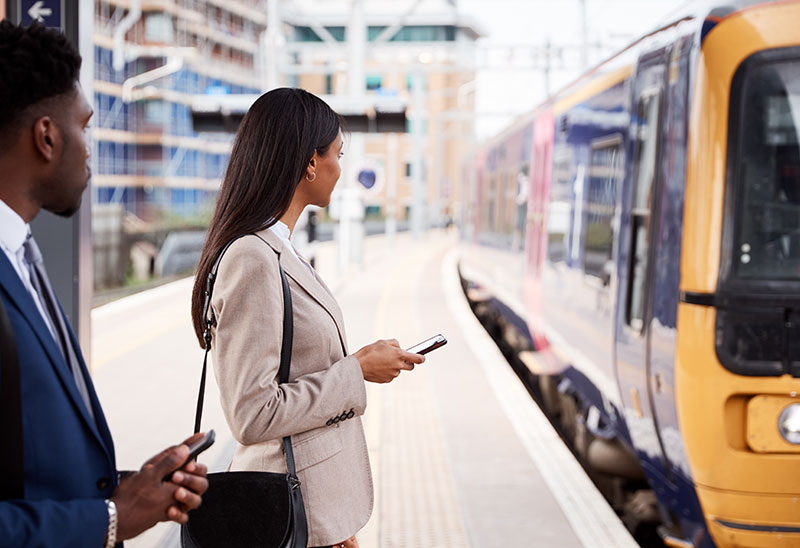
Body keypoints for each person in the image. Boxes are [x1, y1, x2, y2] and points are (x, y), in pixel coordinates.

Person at [0, 21, 208, 546]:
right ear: (46, 136)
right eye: (85, 127)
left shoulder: (22, 255)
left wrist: (134, 489)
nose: (89, 150)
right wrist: (112, 519)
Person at [190, 87, 425, 548]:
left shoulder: (279, 250)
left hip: (313, 512)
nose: (341, 168)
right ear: (310, 163)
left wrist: (333, 520)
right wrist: (355, 371)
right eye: (338, 153)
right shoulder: (254, 259)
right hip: (285, 510)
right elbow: (251, 414)